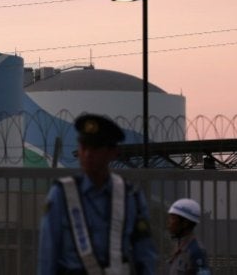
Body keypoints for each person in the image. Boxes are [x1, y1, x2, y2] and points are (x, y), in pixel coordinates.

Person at [38, 114, 157, 275]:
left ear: (112, 152)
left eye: (95, 148)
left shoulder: (130, 196)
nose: (88, 154)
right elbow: (48, 256)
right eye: (84, 147)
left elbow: (144, 254)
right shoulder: (61, 195)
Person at [166, 199, 211, 275]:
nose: (169, 222)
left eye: (173, 218)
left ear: (185, 223)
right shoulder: (179, 247)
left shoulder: (196, 251)